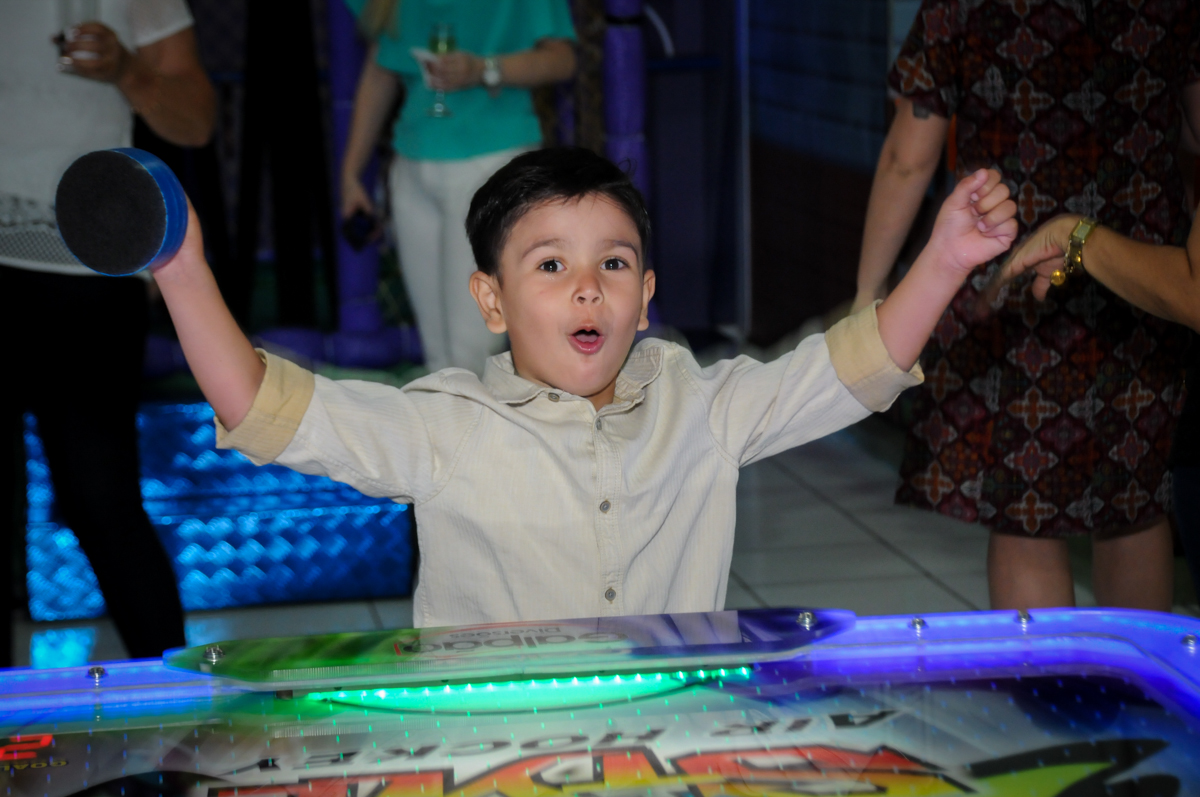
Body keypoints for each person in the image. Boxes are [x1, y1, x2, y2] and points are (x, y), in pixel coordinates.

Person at [148, 146, 1017, 625]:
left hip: (666, 737)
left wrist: (944, 259)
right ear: (491, 299)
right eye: (551, 265)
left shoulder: (701, 408)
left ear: (646, 295)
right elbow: (263, 406)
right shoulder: (445, 425)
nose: (587, 288)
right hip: (498, 751)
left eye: (614, 263)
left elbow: (849, 369)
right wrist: (183, 269)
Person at [855, 0, 1200, 612]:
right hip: (1143, 273)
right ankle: (1143, 672)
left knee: (1024, 511)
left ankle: (1042, 675)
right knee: (1136, 501)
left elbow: (909, 158)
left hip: (1010, 270)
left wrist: (868, 293)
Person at [0, 0, 215, 662]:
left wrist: (129, 70)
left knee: (99, 496)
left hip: (85, 264)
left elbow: (197, 121)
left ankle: (180, 700)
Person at [987, 85, 1200, 602]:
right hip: (1143, 257)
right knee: (1132, 498)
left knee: (1030, 504)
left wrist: (1076, 236)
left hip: (1072, 275)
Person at [340, 0, 577, 374]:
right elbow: (380, 67)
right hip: (412, 164)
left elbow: (562, 58)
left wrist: (486, 69)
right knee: (439, 359)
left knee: (474, 355)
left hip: (493, 162)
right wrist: (351, 173)